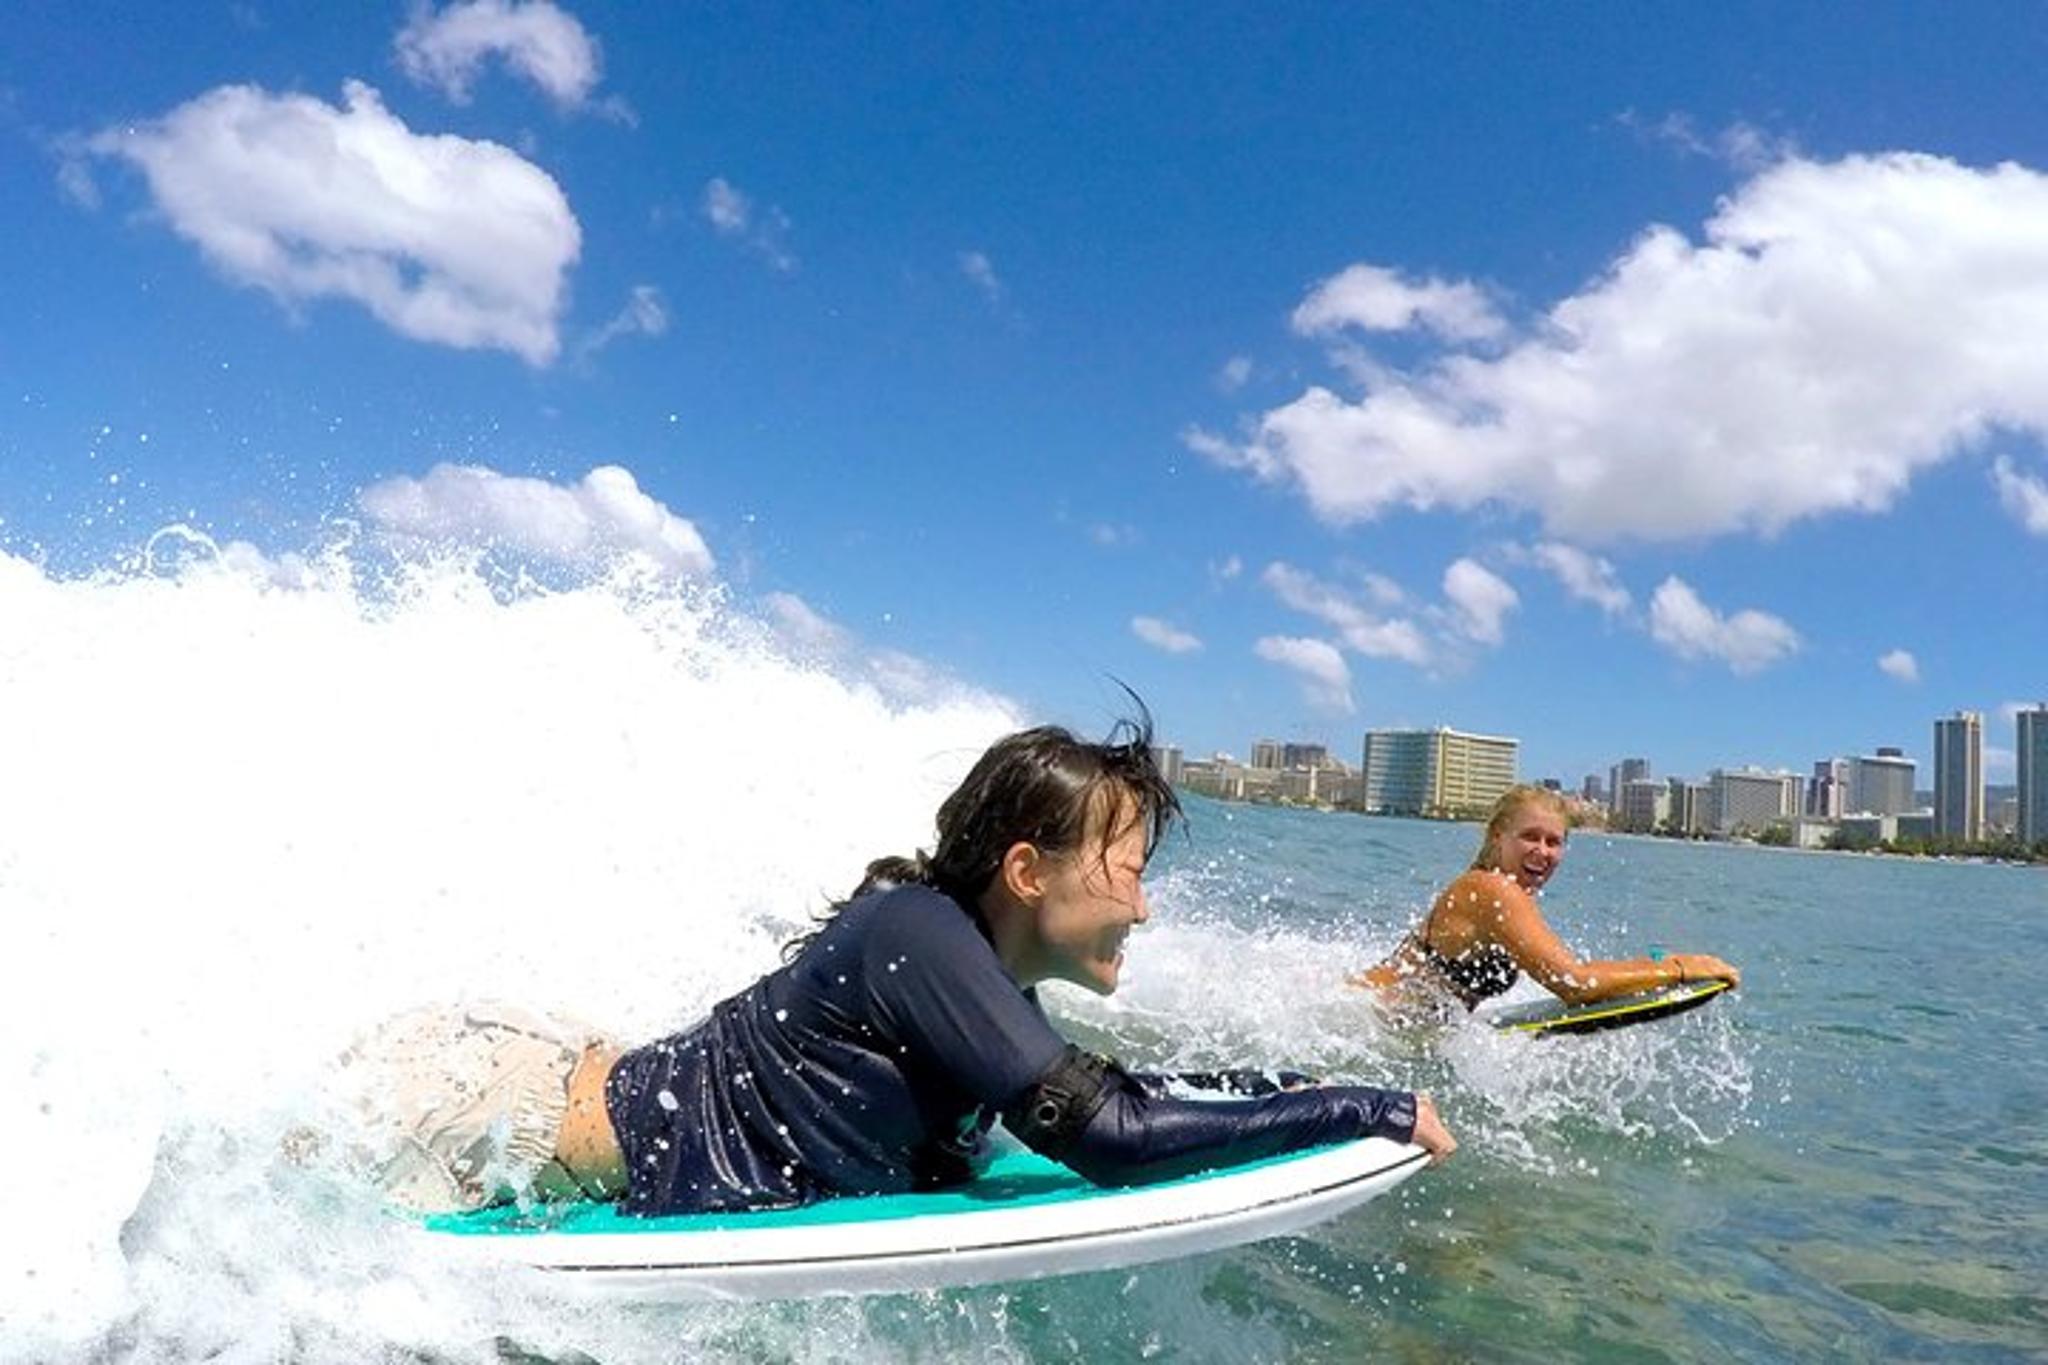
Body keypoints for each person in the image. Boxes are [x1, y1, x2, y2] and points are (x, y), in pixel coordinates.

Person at [340, 714, 1454, 1216]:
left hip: (550, 1087)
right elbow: (1103, 1139)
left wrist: (1299, 1089)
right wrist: (1358, 1107)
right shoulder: (917, 935)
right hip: (490, 1115)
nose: (1146, 907)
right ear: (1028, 870)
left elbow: (1119, 1097)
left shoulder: (977, 983)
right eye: (1126, 869)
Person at [1353, 785, 1740, 1014]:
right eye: (1530, 837)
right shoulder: (1493, 891)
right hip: (1361, 1017)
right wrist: (1680, 968)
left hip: (1391, 1025)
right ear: (1497, 837)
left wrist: (1646, 965)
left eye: (1554, 842)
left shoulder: (1507, 894)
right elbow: (1576, 984)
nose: (1543, 851)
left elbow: (1569, 969)